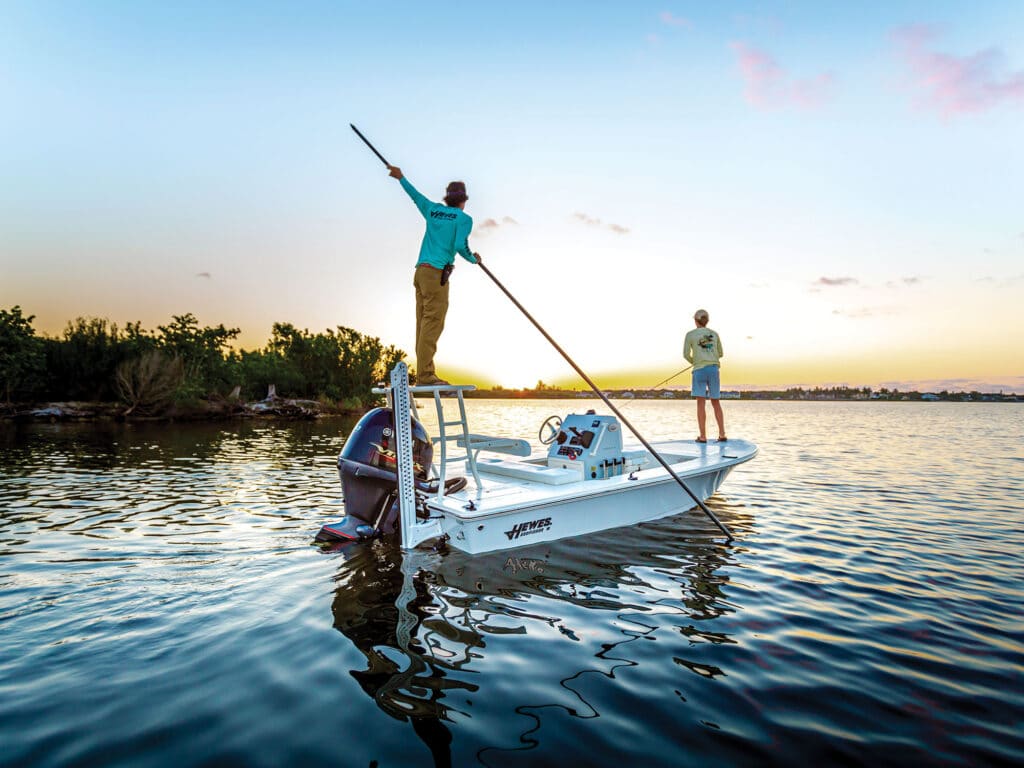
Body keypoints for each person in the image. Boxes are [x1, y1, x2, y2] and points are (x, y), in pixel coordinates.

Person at [387, 164, 480, 387]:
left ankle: (423, 372)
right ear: (463, 200)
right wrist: (474, 259)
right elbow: (460, 245)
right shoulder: (463, 218)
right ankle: (426, 375)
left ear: (447, 199)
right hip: (436, 274)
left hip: (420, 273)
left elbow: (415, 196)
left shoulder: (433, 210)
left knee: (422, 323)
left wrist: (401, 177)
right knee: (433, 322)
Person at [683, 309, 726, 443]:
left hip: (699, 370)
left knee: (700, 403)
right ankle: (722, 434)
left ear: (696, 320)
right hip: (713, 369)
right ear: (707, 321)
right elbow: (720, 353)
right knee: (716, 402)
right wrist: (709, 356)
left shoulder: (690, 335)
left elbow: (685, 354)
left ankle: (703, 436)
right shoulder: (714, 334)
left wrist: (695, 361)